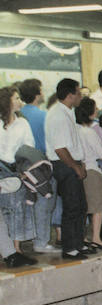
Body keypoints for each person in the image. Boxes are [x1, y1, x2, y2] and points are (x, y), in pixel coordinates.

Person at [45, 79, 90, 260]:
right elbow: (60, 148)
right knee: (72, 207)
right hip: (64, 164)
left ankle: (78, 243)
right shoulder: (57, 115)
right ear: (70, 95)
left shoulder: (67, 112)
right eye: (79, 93)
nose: (80, 97)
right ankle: (70, 248)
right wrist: (75, 167)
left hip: (72, 163)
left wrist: (81, 163)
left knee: (80, 206)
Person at [19, 78, 58, 253]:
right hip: (41, 165)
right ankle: (41, 242)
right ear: (37, 94)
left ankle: (27, 239)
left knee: (27, 203)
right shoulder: (44, 115)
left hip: (22, 166)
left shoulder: (18, 115)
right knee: (45, 203)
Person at [0, 86, 36, 262]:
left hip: (15, 170)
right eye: (15, 98)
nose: (19, 101)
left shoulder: (23, 123)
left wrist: (24, 170)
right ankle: (7, 251)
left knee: (17, 210)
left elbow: (29, 147)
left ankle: (16, 250)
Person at [76, 100, 102, 250]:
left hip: (79, 169)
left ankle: (83, 236)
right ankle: (96, 238)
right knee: (97, 207)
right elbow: (101, 154)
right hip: (92, 169)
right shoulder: (89, 132)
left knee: (83, 207)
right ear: (90, 113)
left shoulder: (75, 129)